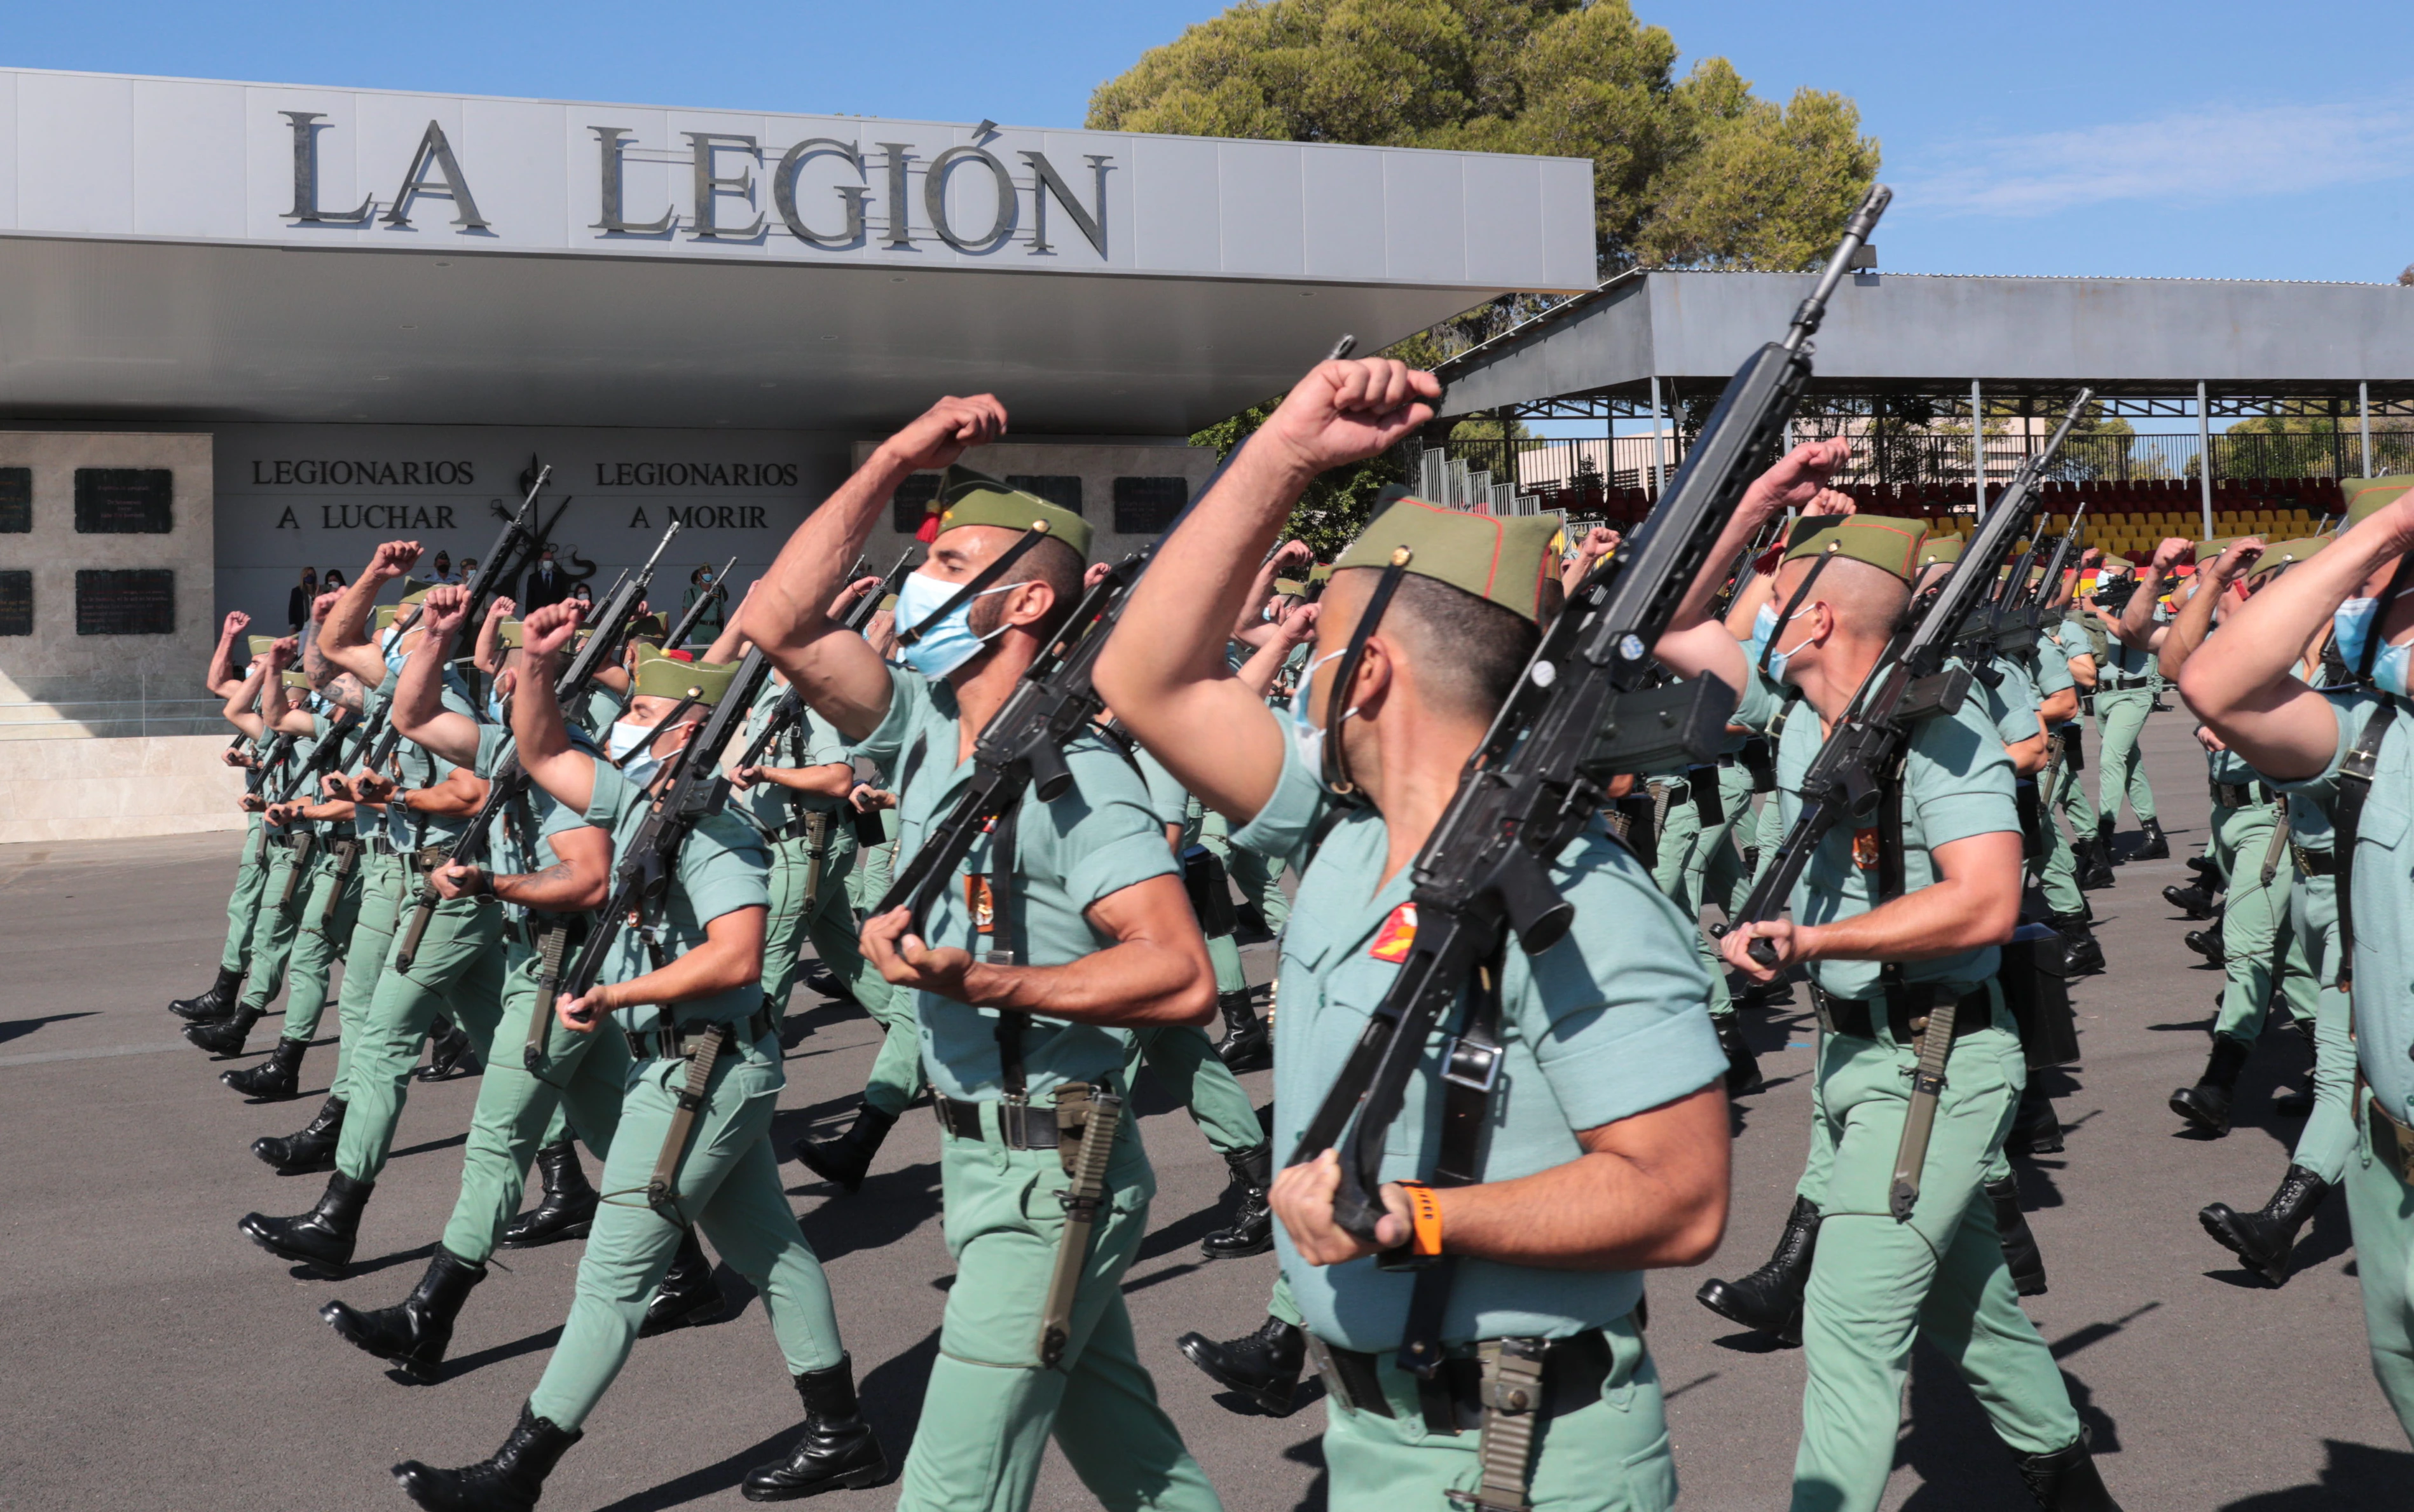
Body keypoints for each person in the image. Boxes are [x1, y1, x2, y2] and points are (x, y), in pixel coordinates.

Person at [1095, 355, 1736, 1512]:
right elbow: (1142, 676)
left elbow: (1681, 1195)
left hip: (1522, 1458)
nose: (1298, 679)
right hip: (1375, 1437)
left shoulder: (1576, 891)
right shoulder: (1341, 835)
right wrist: (1284, 450)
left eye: (1320, 650)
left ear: (1368, 672)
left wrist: (1411, 1213)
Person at [741, 409, 1223, 1512]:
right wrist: (892, 464)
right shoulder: (918, 727)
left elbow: (1178, 970)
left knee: (953, 1486)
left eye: (951, 562)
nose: (917, 575)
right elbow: (779, 615)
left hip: (1056, 1167)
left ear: (1027, 600)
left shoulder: (1078, 778)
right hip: (978, 1162)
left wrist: (982, 980)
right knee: (1137, 1462)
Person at [392, 597, 886, 1508]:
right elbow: (541, 751)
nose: (623, 722)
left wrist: (615, 991)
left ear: (687, 727)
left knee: (614, 1273)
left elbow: (736, 955)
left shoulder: (719, 830)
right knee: (774, 1253)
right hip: (682, 1060)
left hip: (703, 1067)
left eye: (645, 714)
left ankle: (517, 1472)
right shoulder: (639, 802)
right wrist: (536, 662)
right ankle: (842, 1432)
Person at [1693, 512, 2119, 1511]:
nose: (1760, 611)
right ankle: (2070, 1483)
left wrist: (1814, 941)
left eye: (1780, 593)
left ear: (1820, 614)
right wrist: (1755, 506)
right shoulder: (1802, 705)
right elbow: (1669, 627)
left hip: (1932, 1061)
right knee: (1971, 1309)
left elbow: (1984, 899)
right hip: (1853, 1061)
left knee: (1847, 1329)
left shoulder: (1944, 725)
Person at [2181, 475, 2414, 1441]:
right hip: (2393, 1158)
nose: (2386, 626)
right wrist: (2390, 525)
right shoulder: (2376, 743)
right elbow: (2213, 680)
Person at [240, 546, 509, 1272]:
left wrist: (396, 797)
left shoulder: (444, 699)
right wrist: (374, 578)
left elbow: (472, 793)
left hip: (442, 888)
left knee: (384, 1036)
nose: (385, 641)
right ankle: (580, 1186)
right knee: (510, 1052)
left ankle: (339, 1213)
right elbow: (329, 653)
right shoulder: (396, 693)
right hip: (408, 879)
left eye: (404, 627)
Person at [2090, 554, 2167, 859]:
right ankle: (2154, 835)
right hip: (2102, 695)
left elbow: (2133, 634)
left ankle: (2103, 837)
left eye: (2111, 571)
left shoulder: (2146, 606)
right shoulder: (2101, 604)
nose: (2103, 575)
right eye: (2102, 570)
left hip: (2132, 695)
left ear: (2130, 575)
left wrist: (2096, 612)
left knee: (2110, 760)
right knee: (2130, 766)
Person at [680, 563, 729, 649]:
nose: (708, 575)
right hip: (698, 628)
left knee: (714, 656)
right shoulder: (691, 591)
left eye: (710, 573)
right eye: (704, 573)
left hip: (714, 628)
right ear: (699, 576)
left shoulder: (718, 591)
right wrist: (687, 631)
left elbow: (721, 613)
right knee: (698, 657)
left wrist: (721, 630)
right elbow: (686, 612)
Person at [522, 544, 570, 611]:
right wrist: (528, 618)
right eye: (546, 559)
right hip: (538, 616)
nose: (549, 561)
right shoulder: (533, 578)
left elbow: (563, 599)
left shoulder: (560, 578)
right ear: (541, 560)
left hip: (555, 615)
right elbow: (529, 600)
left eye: (551, 559)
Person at [287, 566, 319, 632]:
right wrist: (292, 627)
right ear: (303, 576)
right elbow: (292, 610)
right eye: (307, 575)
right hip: (303, 627)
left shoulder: (318, 591)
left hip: (316, 627)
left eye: (312, 574)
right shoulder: (297, 591)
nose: (310, 576)